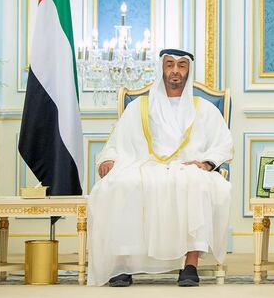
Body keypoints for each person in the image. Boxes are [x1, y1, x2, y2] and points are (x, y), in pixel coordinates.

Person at [87, 49, 233, 287]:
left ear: (188, 70)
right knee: (122, 184)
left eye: (182, 65)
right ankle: (123, 265)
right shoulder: (140, 107)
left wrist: (206, 163)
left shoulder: (204, 108)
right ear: (162, 69)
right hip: (144, 164)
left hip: (187, 167)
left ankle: (190, 265)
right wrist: (109, 158)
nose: (175, 70)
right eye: (170, 65)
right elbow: (116, 141)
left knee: (194, 182)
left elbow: (224, 143)